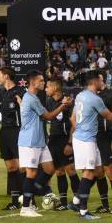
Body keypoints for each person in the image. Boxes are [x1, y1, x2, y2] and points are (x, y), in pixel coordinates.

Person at [69, 70, 112, 220]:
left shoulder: (80, 96)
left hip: (84, 138)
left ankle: (77, 201)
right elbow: (110, 116)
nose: (102, 82)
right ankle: (82, 209)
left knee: (96, 171)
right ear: (94, 81)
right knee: (89, 173)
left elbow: (73, 118)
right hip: (88, 139)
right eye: (100, 79)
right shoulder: (95, 99)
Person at [18, 70, 72, 217]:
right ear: (33, 82)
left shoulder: (32, 98)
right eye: (41, 81)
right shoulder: (31, 99)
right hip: (30, 141)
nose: (43, 83)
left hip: (40, 141)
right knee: (31, 173)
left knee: (50, 169)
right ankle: (26, 207)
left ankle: (29, 194)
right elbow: (48, 116)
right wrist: (63, 105)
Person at [45, 78, 79, 211]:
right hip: (53, 139)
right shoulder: (49, 101)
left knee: (70, 170)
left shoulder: (69, 102)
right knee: (59, 171)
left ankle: (78, 199)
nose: (46, 89)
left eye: (48, 86)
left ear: (55, 87)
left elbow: (74, 123)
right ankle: (63, 202)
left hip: (65, 140)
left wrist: (70, 143)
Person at [0, 67, 25, 210]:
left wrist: (22, 104)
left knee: (22, 167)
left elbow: (28, 110)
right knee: (11, 168)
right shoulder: (1, 94)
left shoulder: (20, 92)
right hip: (4, 132)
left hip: (17, 131)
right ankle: (14, 201)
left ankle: (28, 199)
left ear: (6, 76)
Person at [95, 72, 112, 214]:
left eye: (98, 79)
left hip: (107, 137)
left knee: (110, 172)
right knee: (98, 172)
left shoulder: (109, 97)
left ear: (103, 81)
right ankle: (105, 205)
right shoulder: (92, 97)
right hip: (95, 138)